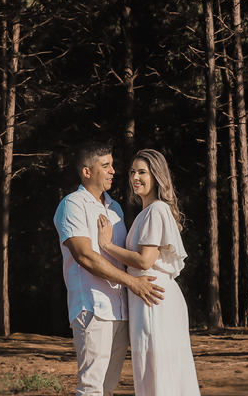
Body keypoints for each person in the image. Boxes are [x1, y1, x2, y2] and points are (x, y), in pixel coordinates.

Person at [54, 141, 166, 396]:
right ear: (87, 171)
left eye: (112, 165)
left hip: (122, 311)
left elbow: (125, 255)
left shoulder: (114, 208)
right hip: (93, 308)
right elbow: (85, 256)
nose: (113, 171)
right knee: (91, 387)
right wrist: (133, 282)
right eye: (105, 166)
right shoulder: (73, 205)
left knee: (106, 388)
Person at [97, 148, 201, 396]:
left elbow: (145, 261)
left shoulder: (156, 210)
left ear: (156, 176)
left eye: (142, 172)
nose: (135, 177)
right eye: (132, 172)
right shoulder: (147, 213)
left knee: (158, 370)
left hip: (154, 297)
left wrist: (106, 245)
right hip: (148, 297)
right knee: (155, 369)